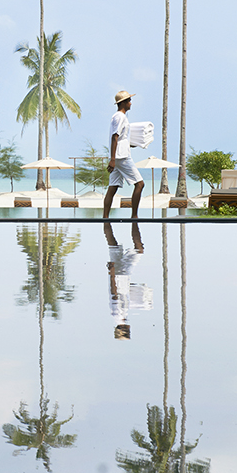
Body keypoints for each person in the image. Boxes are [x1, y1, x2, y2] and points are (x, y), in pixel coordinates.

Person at [103, 90, 145, 221]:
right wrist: (113, 159)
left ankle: (105, 217)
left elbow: (120, 137)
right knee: (140, 184)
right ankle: (134, 216)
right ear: (123, 103)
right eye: (129, 101)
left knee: (113, 187)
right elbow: (114, 137)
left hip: (119, 154)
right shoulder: (119, 117)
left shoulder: (120, 117)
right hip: (121, 156)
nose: (131, 103)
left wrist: (131, 145)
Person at [106, 222, 144, 339]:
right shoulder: (121, 317)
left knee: (139, 250)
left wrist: (111, 273)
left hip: (121, 276)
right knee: (113, 246)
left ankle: (134, 219)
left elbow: (114, 295)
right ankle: (106, 219)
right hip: (121, 277)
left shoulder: (118, 315)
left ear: (124, 329)